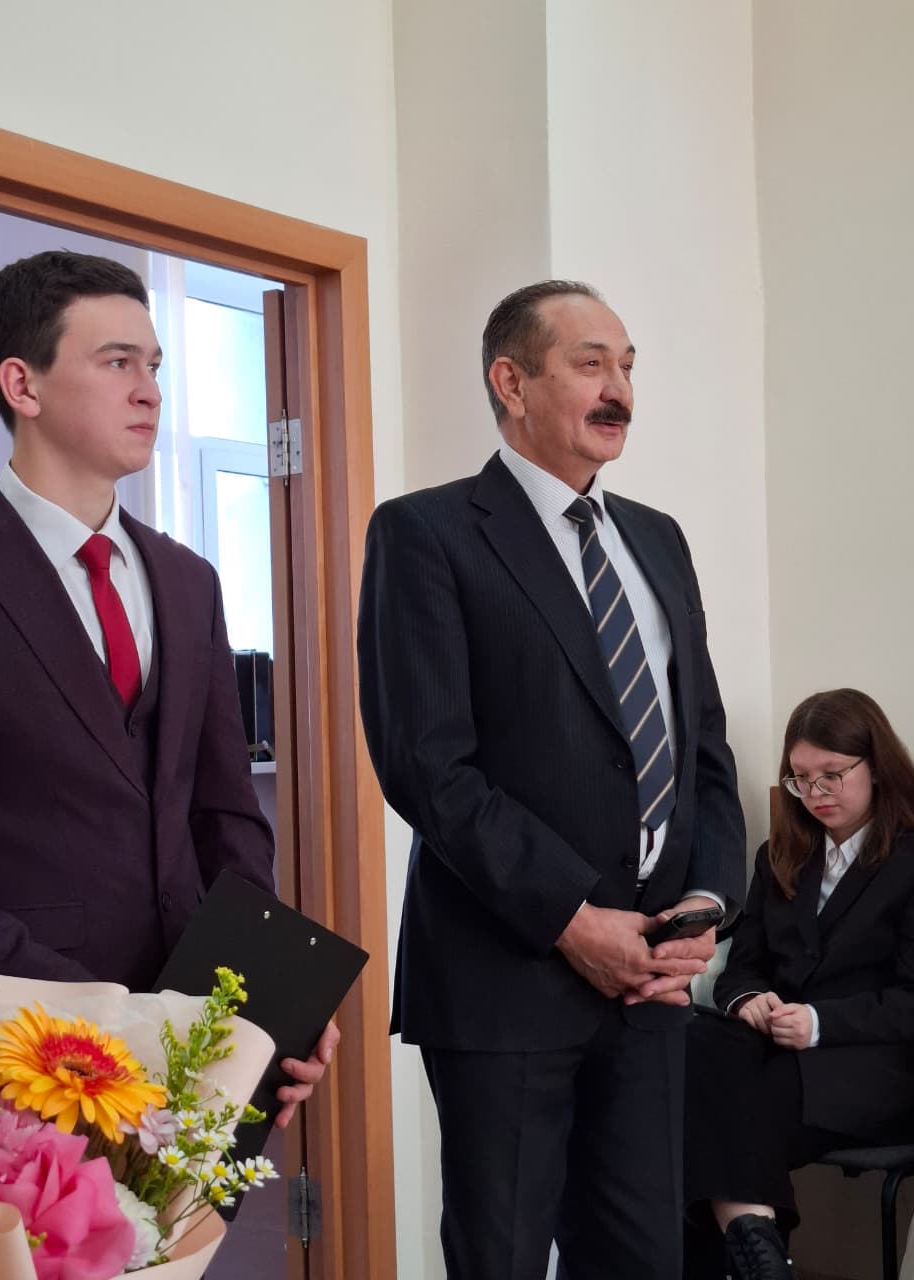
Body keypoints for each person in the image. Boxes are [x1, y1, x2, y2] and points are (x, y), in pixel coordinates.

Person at [357, 280, 747, 1279]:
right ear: (512, 380)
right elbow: (427, 765)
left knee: (642, 1258)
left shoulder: (657, 537)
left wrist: (707, 903)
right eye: (591, 363)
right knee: (503, 1260)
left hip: (652, 982)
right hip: (505, 981)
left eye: (628, 366)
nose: (620, 389)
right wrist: (573, 917)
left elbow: (701, 745)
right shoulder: (425, 533)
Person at [0, 250, 336, 1125]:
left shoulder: (188, 580)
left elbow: (227, 814)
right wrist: (95, 1013)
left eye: (155, 366)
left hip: (194, 1035)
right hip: (15, 1041)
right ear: (22, 384)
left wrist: (268, 1005)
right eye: (117, 362)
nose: (150, 392)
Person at [684, 688, 914, 1280]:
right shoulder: (780, 855)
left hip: (875, 1064)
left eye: (832, 775)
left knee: (706, 1117)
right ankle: (760, 1252)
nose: (815, 794)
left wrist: (817, 1023)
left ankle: (756, 1257)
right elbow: (743, 967)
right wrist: (748, 1000)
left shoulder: (909, 858)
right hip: (775, 1052)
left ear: (876, 766)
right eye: (801, 779)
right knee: (692, 1047)